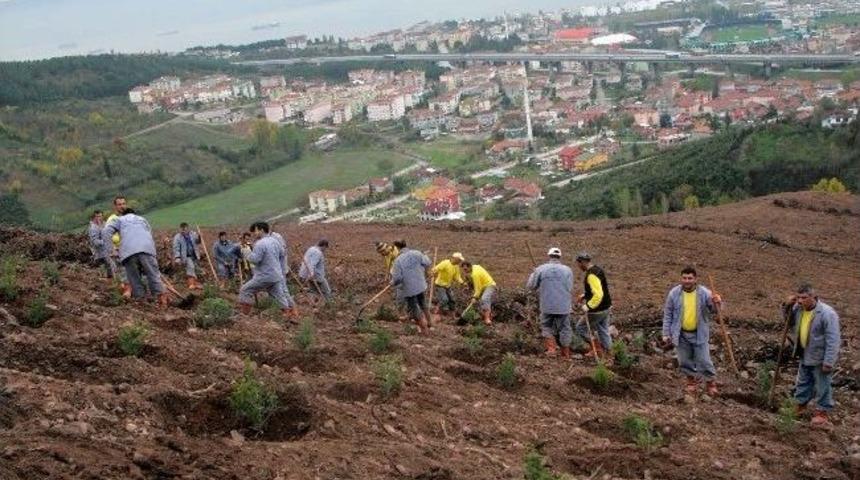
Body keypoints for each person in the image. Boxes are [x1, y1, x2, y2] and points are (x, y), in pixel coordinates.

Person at [784, 284, 841, 426]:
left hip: (820, 356)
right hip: (805, 352)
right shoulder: (798, 309)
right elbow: (788, 321)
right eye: (798, 297)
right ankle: (800, 405)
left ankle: (822, 412)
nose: (800, 301)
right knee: (803, 381)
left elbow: (833, 338)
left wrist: (829, 361)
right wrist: (786, 306)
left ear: (813, 297)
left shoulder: (827, 314)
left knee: (822, 384)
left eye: (803, 298)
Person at [661, 266, 723, 396]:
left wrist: (717, 302)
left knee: (704, 360)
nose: (687, 281)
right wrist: (666, 334)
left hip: (699, 333)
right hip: (680, 333)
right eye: (684, 278)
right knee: (684, 361)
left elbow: (714, 310)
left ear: (695, 279)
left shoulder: (704, 293)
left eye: (690, 278)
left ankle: (710, 383)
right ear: (681, 278)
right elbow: (668, 314)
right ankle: (691, 382)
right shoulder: (674, 293)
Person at [102, 209, 168, 306]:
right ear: (134, 214)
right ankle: (162, 301)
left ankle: (141, 302)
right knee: (154, 275)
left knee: (134, 278)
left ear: (123, 214)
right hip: (147, 249)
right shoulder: (142, 219)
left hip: (128, 252)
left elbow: (106, 231)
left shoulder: (119, 220)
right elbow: (148, 233)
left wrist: (111, 249)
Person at [238, 222, 298, 320]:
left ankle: (244, 317)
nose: (254, 233)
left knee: (245, 290)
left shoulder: (260, 243)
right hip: (276, 274)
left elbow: (255, 260)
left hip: (264, 275)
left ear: (261, 230)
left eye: (256, 230)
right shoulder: (275, 241)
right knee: (279, 296)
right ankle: (289, 315)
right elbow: (282, 254)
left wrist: (247, 253)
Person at [527, 247, 574, 358]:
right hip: (564, 306)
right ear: (560, 256)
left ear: (549, 256)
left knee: (546, 326)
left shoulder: (541, 269)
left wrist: (534, 273)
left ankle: (551, 349)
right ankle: (565, 353)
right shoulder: (568, 270)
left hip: (547, 305)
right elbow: (570, 287)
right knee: (565, 329)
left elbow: (531, 286)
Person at [574, 252, 613, 358]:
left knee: (580, 328)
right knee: (603, 331)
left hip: (597, 309)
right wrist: (585, 295)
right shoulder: (598, 269)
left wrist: (588, 306)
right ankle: (609, 354)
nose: (578, 266)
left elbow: (598, 294)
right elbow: (599, 288)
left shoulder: (591, 274)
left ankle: (597, 349)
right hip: (606, 307)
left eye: (578, 264)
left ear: (582, 262)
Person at [390, 241, 432, 333]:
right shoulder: (416, 253)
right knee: (423, 303)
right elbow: (428, 262)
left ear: (397, 248)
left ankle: (425, 330)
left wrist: (392, 282)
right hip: (421, 284)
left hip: (409, 289)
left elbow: (397, 278)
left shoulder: (398, 261)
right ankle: (430, 323)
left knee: (414, 309)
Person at [106, 196, 131, 297]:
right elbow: (107, 235)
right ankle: (125, 293)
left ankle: (128, 292)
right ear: (115, 207)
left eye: (124, 204)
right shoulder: (112, 219)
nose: (122, 206)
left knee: (129, 272)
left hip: (129, 250)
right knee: (121, 273)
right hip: (117, 251)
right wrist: (112, 248)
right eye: (119, 204)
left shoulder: (129, 218)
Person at [460, 261, 496, 325]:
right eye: (463, 269)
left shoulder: (475, 274)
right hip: (482, 286)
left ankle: (487, 319)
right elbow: (473, 283)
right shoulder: (473, 268)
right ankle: (481, 316)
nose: (464, 270)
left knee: (484, 299)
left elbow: (478, 289)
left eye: (466, 269)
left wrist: (475, 297)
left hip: (489, 285)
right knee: (478, 301)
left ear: (470, 267)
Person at [431, 252, 466, 316]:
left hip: (448, 286)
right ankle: (437, 311)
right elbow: (437, 268)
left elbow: (457, 277)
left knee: (452, 299)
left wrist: (462, 282)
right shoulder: (445, 263)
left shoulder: (456, 266)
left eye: (460, 260)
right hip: (440, 285)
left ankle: (452, 315)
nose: (460, 261)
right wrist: (433, 271)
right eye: (459, 260)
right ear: (455, 258)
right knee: (444, 299)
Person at [172, 222, 202, 290]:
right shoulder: (177, 237)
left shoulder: (193, 234)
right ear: (180, 229)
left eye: (185, 229)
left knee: (195, 268)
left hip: (194, 254)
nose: (184, 231)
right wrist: (177, 257)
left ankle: (195, 283)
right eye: (182, 230)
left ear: (188, 228)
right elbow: (176, 248)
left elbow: (198, 242)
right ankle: (191, 284)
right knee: (190, 267)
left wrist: (199, 237)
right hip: (186, 256)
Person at [87, 210, 113, 279]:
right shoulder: (93, 228)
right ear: (93, 217)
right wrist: (105, 241)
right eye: (97, 216)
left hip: (108, 251)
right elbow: (95, 241)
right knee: (107, 273)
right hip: (100, 254)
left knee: (112, 270)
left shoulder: (104, 224)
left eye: (101, 216)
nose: (99, 218)